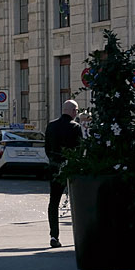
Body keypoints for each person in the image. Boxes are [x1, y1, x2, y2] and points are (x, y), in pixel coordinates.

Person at [44, 99, 84, 249]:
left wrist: (54, 161)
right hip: (71, 168)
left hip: (55, 168)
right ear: (73, 111)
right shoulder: (75, 127)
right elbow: (80, 149)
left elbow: (47, 148)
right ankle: (81, 235)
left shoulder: (51, 126)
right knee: (77, 202)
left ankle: (54, 235)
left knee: (54, 202)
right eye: (76, 111)